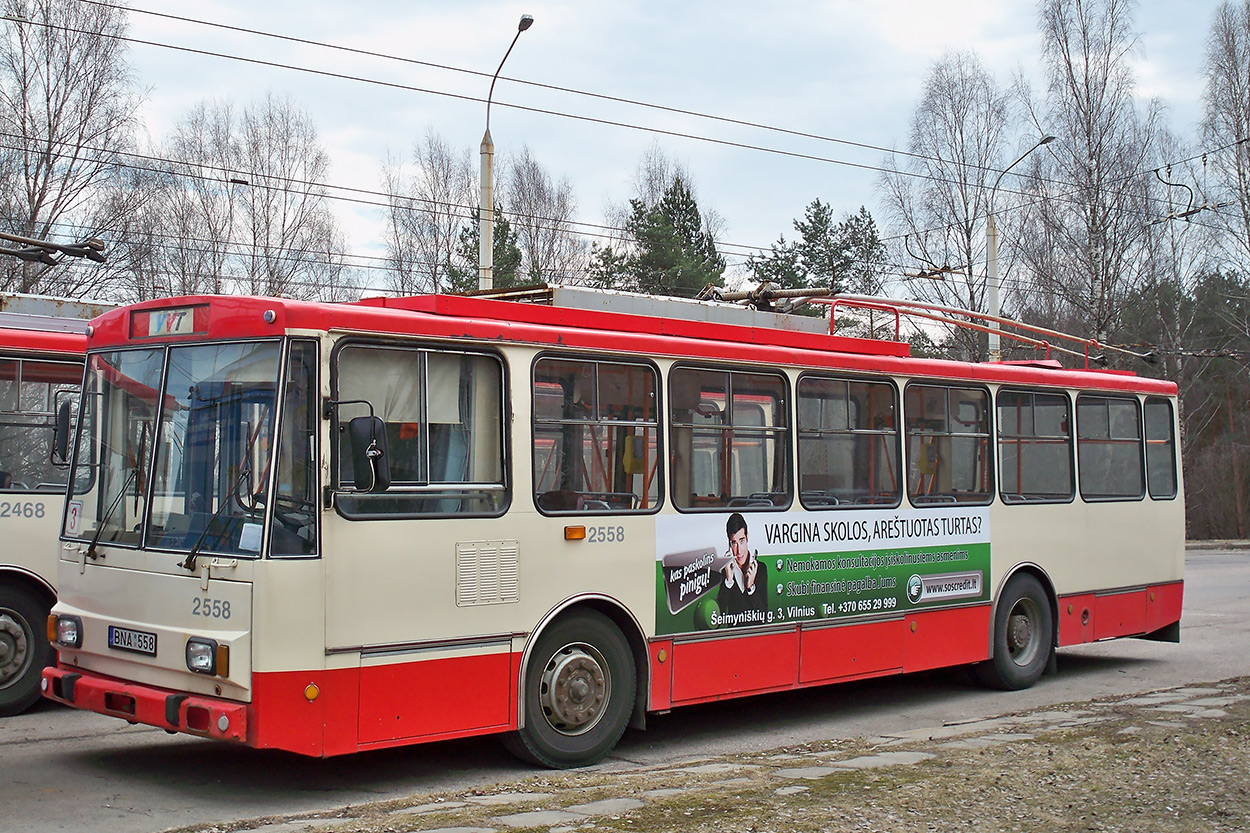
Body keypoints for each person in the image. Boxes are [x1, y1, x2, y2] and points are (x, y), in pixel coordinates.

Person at [718, 512, 768, 622]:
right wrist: (729, 582)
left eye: (742, 541)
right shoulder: (726, 571)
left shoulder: (761, 569)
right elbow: (717, 617)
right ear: (729, 544)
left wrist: (751, 588)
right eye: (734, 543)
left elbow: (765, 617)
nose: (739, 551)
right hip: (732, 635)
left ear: (747, 537)